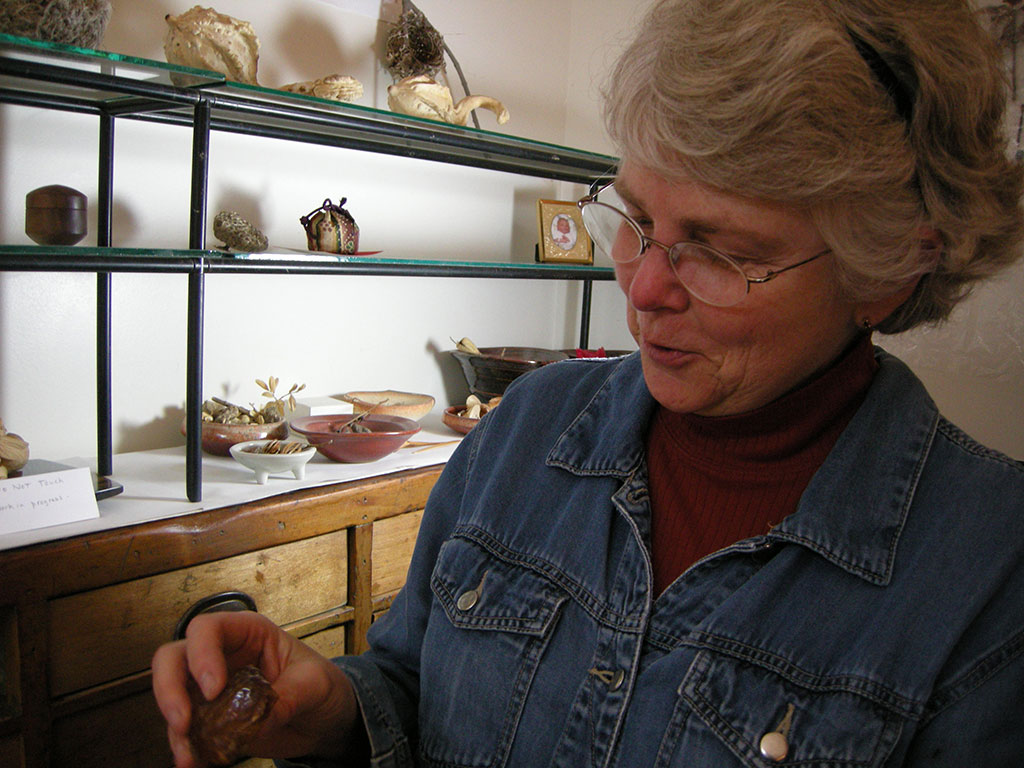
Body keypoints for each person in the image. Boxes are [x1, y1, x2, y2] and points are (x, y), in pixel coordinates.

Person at [152, 0, 1024, 765]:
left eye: (721, 250)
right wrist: (337, 716)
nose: (644, 288)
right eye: (638, 219)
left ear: (889, 270)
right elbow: (413, 685)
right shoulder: (527, 430)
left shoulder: (989, 580)